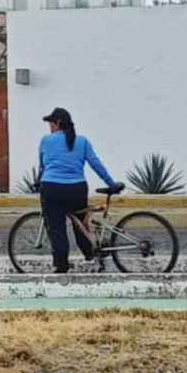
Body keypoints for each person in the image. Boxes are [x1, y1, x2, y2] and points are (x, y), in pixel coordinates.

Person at [38, 107, 122, 274]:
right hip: (77, 189)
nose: (50, 127)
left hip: (52, 189)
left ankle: (62, 265)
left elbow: (43, 165)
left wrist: (38, 183)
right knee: (80, 224)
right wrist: (111, 183)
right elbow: (96, 164)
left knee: (57, 229)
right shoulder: (82, 141)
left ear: (58, 124)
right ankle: (90, 254)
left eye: (51, 123)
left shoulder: (46, 141)